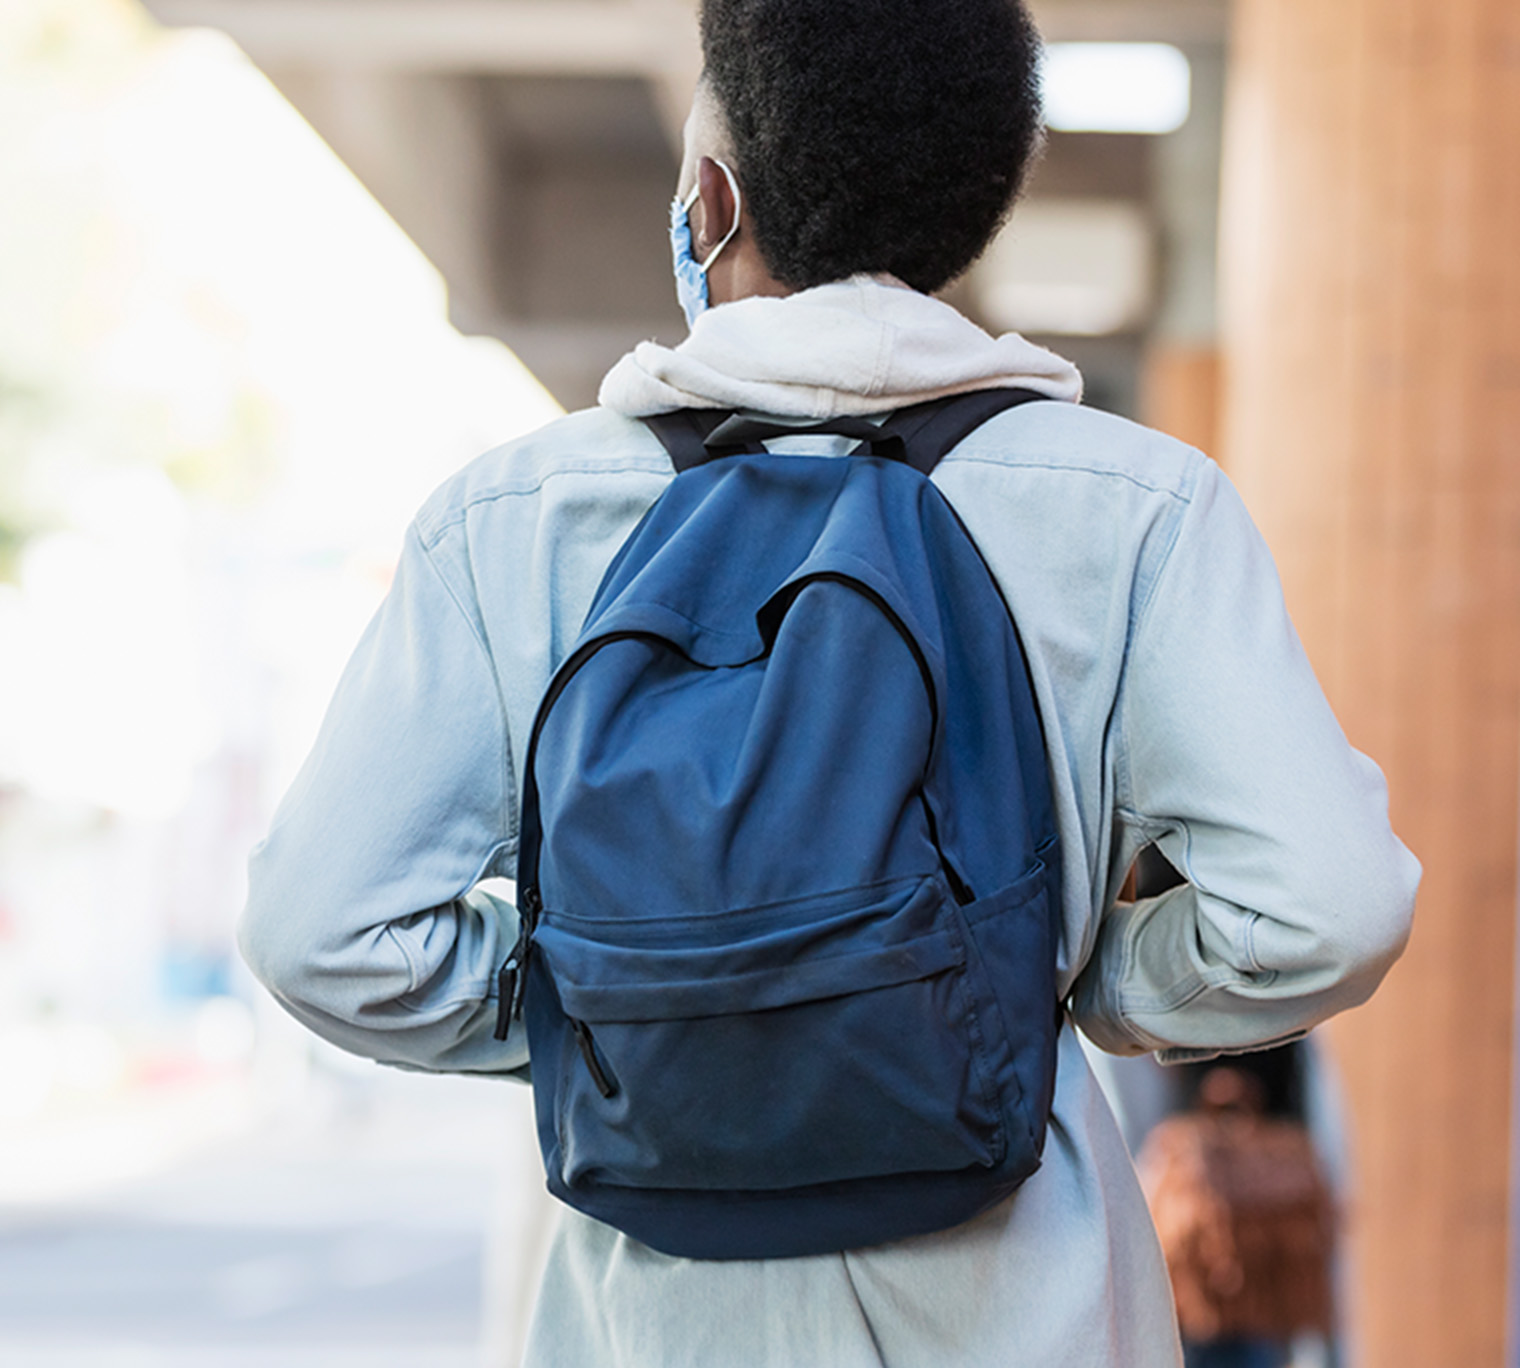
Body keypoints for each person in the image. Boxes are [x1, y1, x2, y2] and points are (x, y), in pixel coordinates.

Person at [238, 1, 1420, 1363]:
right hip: (1020, 1310)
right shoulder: (1133, 507)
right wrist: (1063, 986)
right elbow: (1330, 908)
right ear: (972, 220)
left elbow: (320, 928)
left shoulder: (519, 515)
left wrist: (615, 1006)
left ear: (711, 199)